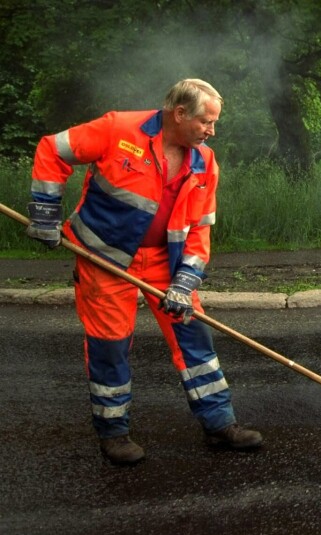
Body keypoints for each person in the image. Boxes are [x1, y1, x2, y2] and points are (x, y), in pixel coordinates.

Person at [26, 79, 263, 464]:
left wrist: (185, 281)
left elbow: (200, 228)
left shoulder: (204, 161)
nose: (211, 131)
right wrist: (44, 211)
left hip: (166, 264)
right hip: (104, 260)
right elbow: (53, 149)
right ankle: (114, 433)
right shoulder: (119, 129)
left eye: (214, 123)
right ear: (180, 113)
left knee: (195, 338)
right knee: (110, 345)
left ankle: (220, 423)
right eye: (206, 121)